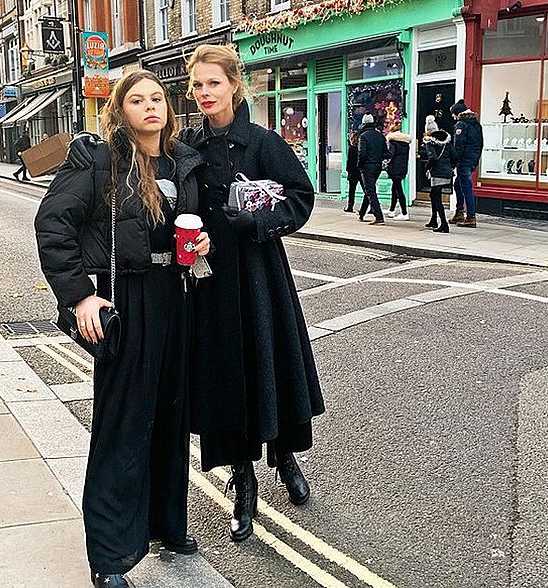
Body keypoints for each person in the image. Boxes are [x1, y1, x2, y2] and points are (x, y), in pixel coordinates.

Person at [66, 45, 325, 545]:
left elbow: (300, 198)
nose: (205, 93)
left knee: (268, 371)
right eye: (197, 85)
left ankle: (285, 457)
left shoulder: (264, 142)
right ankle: (243, 482)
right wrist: (87, 147)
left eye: (214, 83)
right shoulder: (187, 147)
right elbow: (143, 170)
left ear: (234, 85)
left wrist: (258, 221)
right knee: (227, 383)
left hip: (259, 276)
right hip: (206, 283)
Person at [35, 70, 210, 588]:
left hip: (176, 296)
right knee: (123, 426)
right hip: (126, 298)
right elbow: (53, 224)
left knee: (171, 419)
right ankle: (110, 557)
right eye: (137, 100)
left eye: (157, 98)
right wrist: (79, 295)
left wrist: (202, 247)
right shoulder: (98, 160)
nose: (150, 106)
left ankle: (166, 526)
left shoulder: (181, 161)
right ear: (120, 110)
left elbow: (189, 229)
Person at [449, 99, 484, 228]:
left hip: (463, 161)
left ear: (458, 113)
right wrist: (475, 161)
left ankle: (470, 217)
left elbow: (458, 145)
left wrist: (454, 161)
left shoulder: (461, 125)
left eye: (453, 114)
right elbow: (480, 144)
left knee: (466, 187)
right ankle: (459, 212)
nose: (453, 117)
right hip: (472, 160)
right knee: (458, 185)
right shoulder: (476, 124)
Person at [421, 115, 456, 233]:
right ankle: (433, 219)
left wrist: (427, 167)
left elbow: (433, 158)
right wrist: (450, 167)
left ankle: (444, 224)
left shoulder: (430, 142)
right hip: (446, 172)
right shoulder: (446, 142)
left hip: (437, 173)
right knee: (433, 195)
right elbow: (454, 156)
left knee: (436, 198)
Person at [358, 113, 387, 225]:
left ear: (364, 123)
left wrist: (360, 165)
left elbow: (362, 154)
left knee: (370, 191)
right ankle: (361, 213)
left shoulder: (363, 136)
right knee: (369, 190)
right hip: (377, 167)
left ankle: (378, 216)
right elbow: (385, 152)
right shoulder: (380, 135)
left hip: (367, 167)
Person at [385, 122, 412, 220]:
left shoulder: (393, 142)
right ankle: (391, 210)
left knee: (399, 190)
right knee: (395, 188)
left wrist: (383, 153)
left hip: (395, 168)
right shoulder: (405, 143)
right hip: (402, 168)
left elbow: (390, 154)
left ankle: (404, 213)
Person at [344, 131, 362, 213]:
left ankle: (350, 206)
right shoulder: (361, 149)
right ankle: (371, 206)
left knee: (352, 190)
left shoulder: (351, 149)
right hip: (360, 171)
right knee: (366, 190)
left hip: (353, 172)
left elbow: (349, 162)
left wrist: (348, 170)